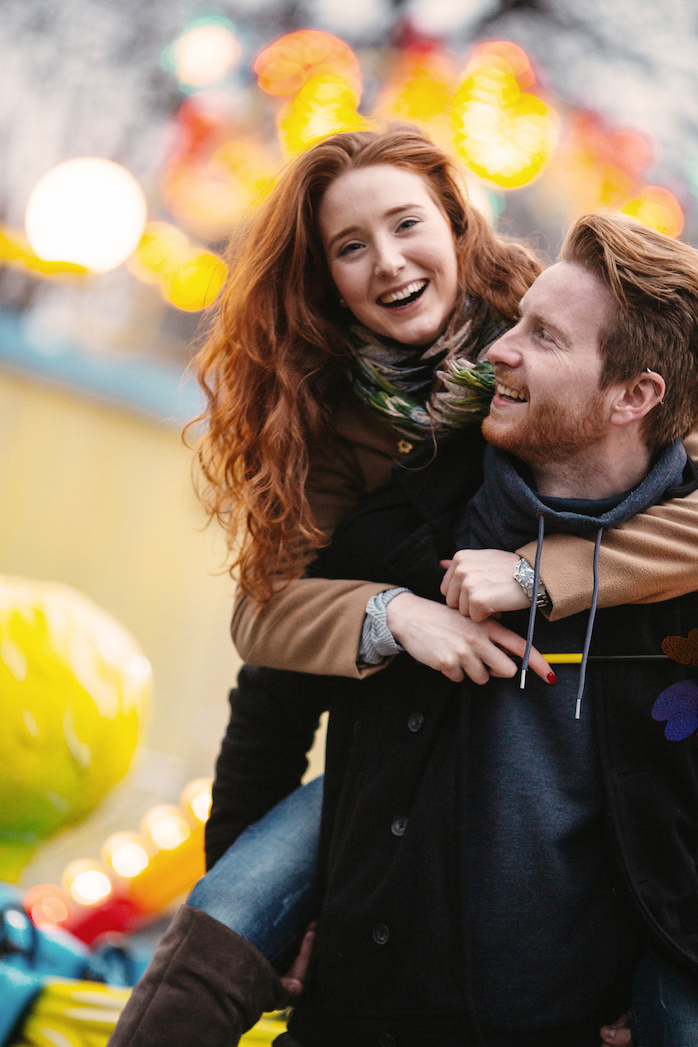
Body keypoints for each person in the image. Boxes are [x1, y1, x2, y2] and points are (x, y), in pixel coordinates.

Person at [108, 125, 698, 1046]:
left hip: (534, 851)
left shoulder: (564, 343)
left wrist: (546, 574)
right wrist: (395, 614)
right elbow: (268, 641)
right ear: (325, 278)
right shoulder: (329, 423)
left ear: (459, 225)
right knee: (229, 912)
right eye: (349, 246)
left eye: (405, 224)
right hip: (389, 752)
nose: (386, 263)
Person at [275, 211, 698, 1047]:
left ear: (636, 395)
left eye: (544, 337)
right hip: (356, 1016)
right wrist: (274, 905)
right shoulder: (412, 511)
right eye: (516, 322)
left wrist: (670, 962)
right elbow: (272, 703)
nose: (498, 351)